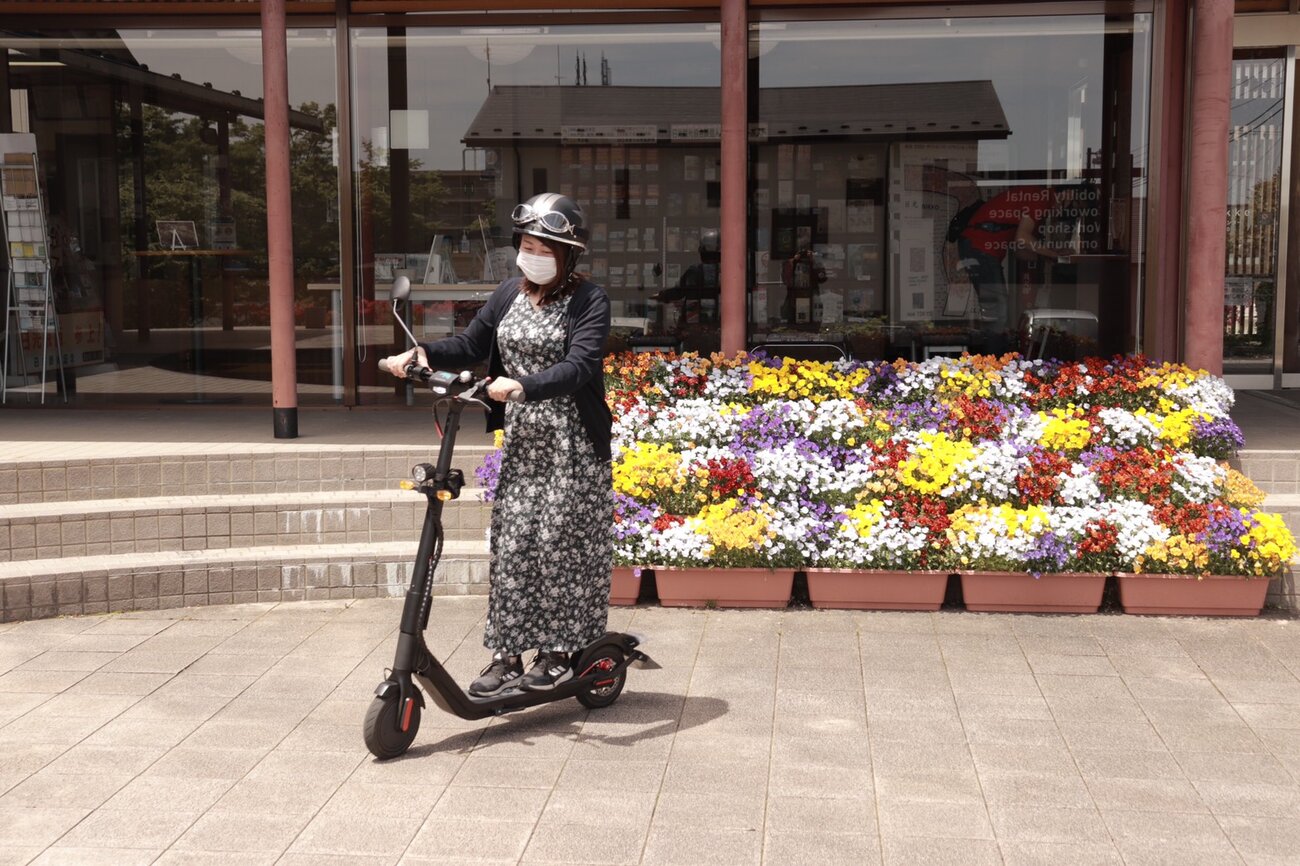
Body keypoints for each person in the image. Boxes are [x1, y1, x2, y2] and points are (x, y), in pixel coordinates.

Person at [380, 192, 614, 696]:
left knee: (557, 550)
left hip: (572, 445)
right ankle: (506, 654)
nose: (534, 254)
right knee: (511, 548)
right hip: (526, 444)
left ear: (568, 255)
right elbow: (471, 344)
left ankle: (556, 653)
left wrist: (524, 384)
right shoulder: (509, 293)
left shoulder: (589, 301)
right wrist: (419, 351)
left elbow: (580, 365)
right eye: (528, 244)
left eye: (545, 248)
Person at [948, 184, 1081, 352]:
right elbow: (1022, 238)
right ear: (1066, 194)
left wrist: (1049, 254)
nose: (1069, 211)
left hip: (977, 247)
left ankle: (996, 357)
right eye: (1073, 204)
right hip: (979, 247)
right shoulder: (1042, 198)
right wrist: (1056, 255)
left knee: (997, 308)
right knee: (998, 307)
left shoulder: (1037, 198)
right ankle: (995, 362)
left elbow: (1021, 251)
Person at [780, 247, 827, 326]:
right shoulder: (791, 263)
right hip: (794, 298)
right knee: (793, 323)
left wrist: (814, 261)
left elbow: (822, 278)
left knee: (813, 322)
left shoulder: (814, 263)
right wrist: (794, 261)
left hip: (811, 297)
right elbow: (786, 280)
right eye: (801, 253)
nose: (804, 256)